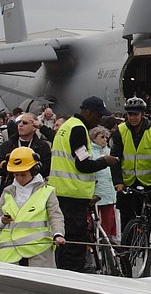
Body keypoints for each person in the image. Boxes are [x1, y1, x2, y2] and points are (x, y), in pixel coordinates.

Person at [0, 147, 72, 294]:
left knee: (44, 288)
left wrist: (58, 234)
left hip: (38, 248)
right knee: (17, 289)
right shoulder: (8, 192)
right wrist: (2, 221)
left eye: (23, 174)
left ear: (34, 170)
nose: (19, 178)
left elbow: (55, 215)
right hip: (13, 249)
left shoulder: (46, 192)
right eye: (16, 174)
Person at [47, 96, 120, 274]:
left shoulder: (67, 126)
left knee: (63, 244)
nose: (100, 120)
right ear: (88, 112)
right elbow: (83, 164)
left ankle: (63, 278)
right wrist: (105, 161)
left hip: (62, 192)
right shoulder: (78, 129)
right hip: (73, 196)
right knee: (73, 248)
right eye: (98, 116)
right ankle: (71, 283)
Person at [111, 97, 151, 228]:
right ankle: (127, 247)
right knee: (126, 220)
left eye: (136, 114)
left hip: (149, 183)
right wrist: (118, 182)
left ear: (143, 114)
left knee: (148, 220)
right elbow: (115, 159)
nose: (132, 117)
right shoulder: (121, 130)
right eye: (130, 114)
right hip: (127, 184)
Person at [89, 125, 119, 240]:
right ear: (94, 138)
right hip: (97, 191)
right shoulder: (90, 152)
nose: (105, 139)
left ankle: (107, 240)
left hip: (110, 191)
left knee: (109, 220)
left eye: (106, 137)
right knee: (95, 220)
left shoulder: (109, 151)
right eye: (102, 137)